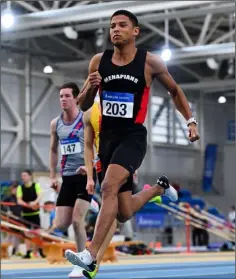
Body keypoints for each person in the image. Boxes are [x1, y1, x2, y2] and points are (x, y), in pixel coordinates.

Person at [65, 10, 199, 272]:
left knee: (108, 188)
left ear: (135, 31)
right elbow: (83, 105)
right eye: (112, 25)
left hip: (133, 137)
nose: (116, 29)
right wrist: (92, 87)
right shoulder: (98, 61)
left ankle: (90, 254)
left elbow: (174, 90)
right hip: (108, 140)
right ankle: (159, 189)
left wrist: (190, 121)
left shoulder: (149, 62)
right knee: (123, 211)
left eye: (122, 25)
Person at [49, 82, 98, 278]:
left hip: (85, 176)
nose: (63, 99)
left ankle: (81, 263)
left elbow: (97, 144)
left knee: (78, 221)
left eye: (67, 96)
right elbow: (53, 150)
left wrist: (91, 165)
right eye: (61, 96)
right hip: (67, 177)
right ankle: (92, 203)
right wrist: (52, 174)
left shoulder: (85, 119)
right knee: (61, 225)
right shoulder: (56, 124)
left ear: (76, 98)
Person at [16, 170, 44, 259]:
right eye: (22, 175)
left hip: (35, 214)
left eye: (24, 175)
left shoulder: (36, 185)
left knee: (37, 233)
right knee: (26, 233)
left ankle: (39, 251)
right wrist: (27, 205)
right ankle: (28, 252)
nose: (23, 177)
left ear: (30, 176)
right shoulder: (20, 187)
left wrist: (34, 203)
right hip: (25, 214)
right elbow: (19, 200)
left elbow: (40, 195)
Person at [2, 181, 22, 256]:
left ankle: (16, 250)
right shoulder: (8, 197)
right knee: (10, 234)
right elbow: (3, 205)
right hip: (11, 218)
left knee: (18, 235)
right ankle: (4, 250)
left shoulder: (20, 197)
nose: (15, 190)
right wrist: (7, 211)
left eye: (16, 189)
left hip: (20, 218)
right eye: (13, 189)